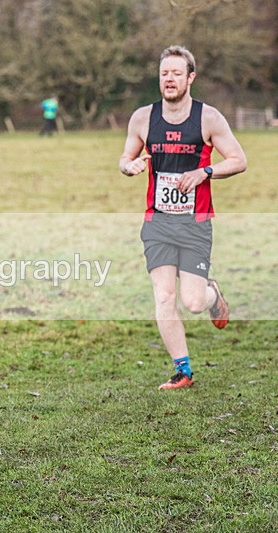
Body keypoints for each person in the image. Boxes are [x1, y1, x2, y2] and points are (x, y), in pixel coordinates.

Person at [119, 45, 247, 390]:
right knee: (163, 297)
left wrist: (205, 171)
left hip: (195, 224)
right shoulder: (143, 118)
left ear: (190, 77)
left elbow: (238, 159)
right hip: (157, 222)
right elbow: (125, 157)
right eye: (164, 73)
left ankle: (211, 293)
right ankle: (183, 371)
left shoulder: (208, 118)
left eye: (176, 73)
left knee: (192, 302)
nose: (169, 79)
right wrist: (129, 166)